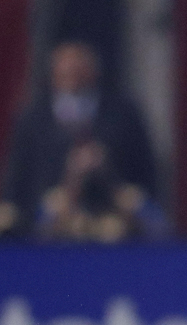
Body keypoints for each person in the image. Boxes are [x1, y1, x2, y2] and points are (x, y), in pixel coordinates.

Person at [1, 40, 164, 239]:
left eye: (79, 70)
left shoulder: (123, 114)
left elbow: (146, 171)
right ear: (53, 75)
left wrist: (106, 170)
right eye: (66, 72)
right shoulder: (33, 117)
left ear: (94, 72)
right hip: (48, 223)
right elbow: (18, 176)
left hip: (113, 217)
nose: (73, 77)